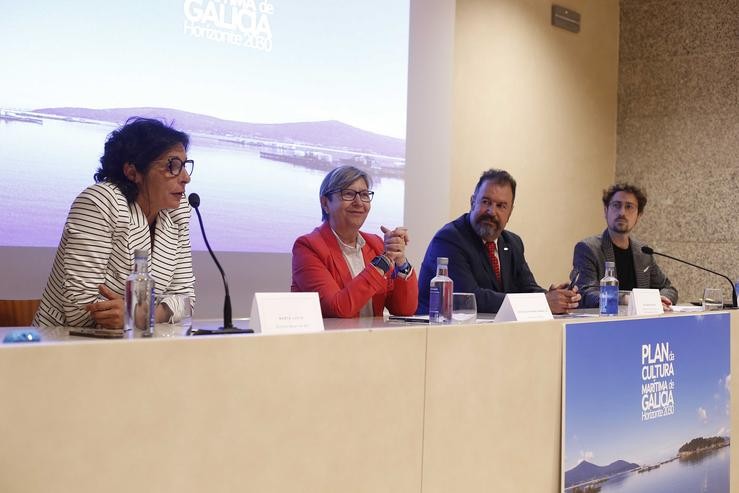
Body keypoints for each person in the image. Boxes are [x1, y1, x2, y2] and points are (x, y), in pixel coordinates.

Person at [33, 117, 196, 329]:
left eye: (184, 166)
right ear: (132, 172)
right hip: (62, 343)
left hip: (135, 345)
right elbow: (77, 307)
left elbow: (186, 301)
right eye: (173, 166)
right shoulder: (100, 202)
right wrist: (148, 316)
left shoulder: (177, 213)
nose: (185, 178)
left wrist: (141, 316)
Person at [417, 168, 580, 314]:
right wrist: (543, 303)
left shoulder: (512, 243)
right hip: (440, 337)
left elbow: (527, 287)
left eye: (501, 206)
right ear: (473, 202)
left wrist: (552, 296)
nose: (491, 211)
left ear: (510, 212)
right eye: (486, 202)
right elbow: (471, 299)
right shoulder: (449, 239)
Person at [291, 165, 418, 318]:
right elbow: (338, 308)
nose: (359, 202)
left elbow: (404, 310)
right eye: (349, 194)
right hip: (330, 340)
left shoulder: (375, 244)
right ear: (325, 203)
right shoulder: (308, 247)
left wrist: (400, 261)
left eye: (364, 195)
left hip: (373, 339)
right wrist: (383, 262)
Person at [572, 183, 677, 309]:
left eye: (629, 207)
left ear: (638, 215)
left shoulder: (643, 253)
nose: (622, 212)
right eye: (616, 205)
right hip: (603, 324)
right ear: (606, 211)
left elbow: (669, 289)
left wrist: (658, 300)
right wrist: (625, 299)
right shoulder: (588, 248)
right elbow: (585, 293)